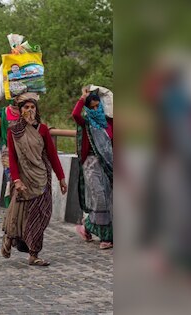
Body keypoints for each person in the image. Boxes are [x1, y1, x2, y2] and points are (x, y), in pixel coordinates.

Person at [2, 92, 68, 266]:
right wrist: (16, 180)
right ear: (20, 110)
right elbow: (13, 158)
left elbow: (52, 155)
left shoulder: (43, 129)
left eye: (32, 107)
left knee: (42, 214)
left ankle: (33, 253)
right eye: (26, 107)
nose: (30, 110)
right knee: (20, 214)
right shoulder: (13, 130)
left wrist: (61, 177)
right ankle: (16, 241)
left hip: (41, 177)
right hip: (23, 178)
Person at [73, 88, 113, 249]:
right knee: (100, 199)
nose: (96, 110)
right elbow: (75, 114)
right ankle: (104, 236)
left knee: (111, 200)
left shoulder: (109, 123)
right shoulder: (86, 122)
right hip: (91, 164)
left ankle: (88, 227)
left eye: (98, 106)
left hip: (109, 165)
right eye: (92, 107)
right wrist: (82, 98)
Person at [0, 100, 21, 208]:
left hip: (23, 150)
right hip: (8, 152)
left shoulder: (27, 111)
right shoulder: (3, 113)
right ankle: (12, 206)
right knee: (12, 180)